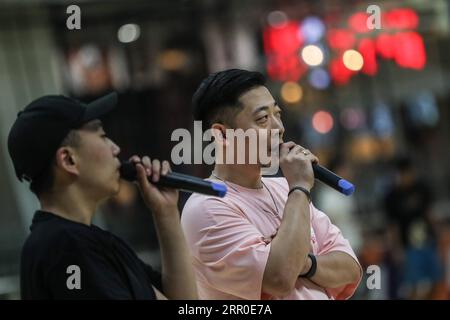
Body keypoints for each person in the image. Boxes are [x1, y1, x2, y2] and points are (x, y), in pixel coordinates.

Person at [181, 69, 362, 300]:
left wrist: (304, 263)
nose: (279, 128)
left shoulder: (284, 187)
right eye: (263, 119)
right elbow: (279, 278)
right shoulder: (206, 207)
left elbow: (350, 268)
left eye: (277, 114)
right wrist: (299, 188)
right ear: (222, 135)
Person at [7, 92, 197, 300]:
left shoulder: (87, 242)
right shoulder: (65, 248)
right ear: (69, 159)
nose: (116, 148)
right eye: (102, 136)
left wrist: (166, 213)